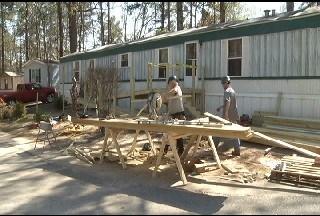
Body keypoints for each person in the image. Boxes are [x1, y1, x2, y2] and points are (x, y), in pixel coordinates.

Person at [216, 75, 241, 156]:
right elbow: (230, 102)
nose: (223, 85)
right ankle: (237, 150)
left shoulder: (227, 91)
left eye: (224, 83)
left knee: (218, 131)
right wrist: (221, 107)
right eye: (222, 83)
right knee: (235, 133)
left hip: (228, 115)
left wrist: (226, 114)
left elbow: (228, 102)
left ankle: (213, 148)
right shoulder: (232, 91)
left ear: (227, 82)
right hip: (234, 114)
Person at [164, 75, 186, 156]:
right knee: (168, 133)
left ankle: (180, 152)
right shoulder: (170, 91)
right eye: (171, 84)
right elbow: (166, 102)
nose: (172, 85)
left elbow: (174, 91)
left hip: (179, 114)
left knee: (178, 134)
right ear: (168, 84)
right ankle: (165, 150)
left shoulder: (177, 88)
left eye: (174, 83)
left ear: (177, 83)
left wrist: (163, 96)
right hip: (172, 114)